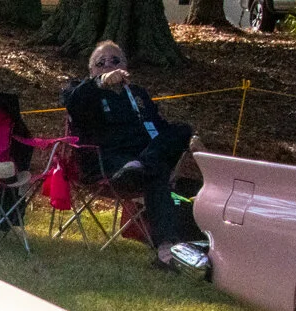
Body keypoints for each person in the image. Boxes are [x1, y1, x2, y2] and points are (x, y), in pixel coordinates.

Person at [63, 41, 203, 268]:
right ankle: (166, 248)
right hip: (108, 161)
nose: (109, 65)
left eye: (115, 60)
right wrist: (99, 83)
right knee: (156, 175)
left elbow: (159, 128)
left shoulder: (137, 94)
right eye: (101, 62)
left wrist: (189, 140)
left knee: (180, 131)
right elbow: (73, 105)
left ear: (126, 66)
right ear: (92, 70)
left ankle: (144, 165)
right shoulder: (83, 91)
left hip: (143, 159)